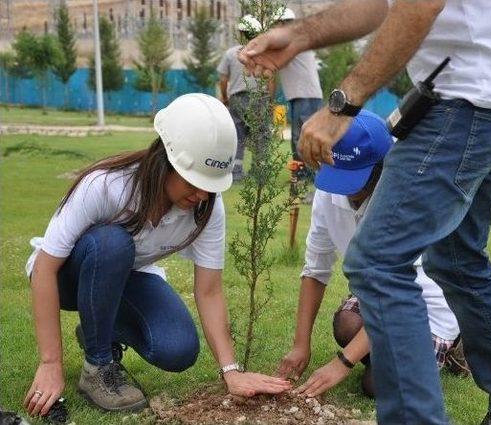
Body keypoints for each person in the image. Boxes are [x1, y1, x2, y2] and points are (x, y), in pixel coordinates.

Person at [239, 1, 491, 424]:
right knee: (456, 258)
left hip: (468, 100)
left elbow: (418, 5)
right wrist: (301, 34)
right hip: (490, 95)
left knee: (377, 262)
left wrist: (343, 105)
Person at [22, 94, 290, 418]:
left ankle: (101, 328)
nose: (202, 194)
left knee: (177, 348)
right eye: (194, 181)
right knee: (113, 243)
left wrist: (231, 371)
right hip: (68, 275)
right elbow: (45, 269)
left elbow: (209, 290)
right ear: (166, 158)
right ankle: (98, 367)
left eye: (211, 186)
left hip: (126, 275)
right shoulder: (106, 186)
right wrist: (51, 363)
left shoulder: (207, 207)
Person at [277, 110, 468, 399]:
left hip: (425, 307)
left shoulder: (406, 202)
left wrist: (342, 363)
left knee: (377, 386)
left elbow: (396, 294)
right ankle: (397, 357)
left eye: (355, 180)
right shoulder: (329, 191)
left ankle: (451, 345)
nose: (346, 193)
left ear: (383, 167)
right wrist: (300, 344)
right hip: (376, 297)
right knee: (347, 324)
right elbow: (315, 269)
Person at [217, 15, 274, 182]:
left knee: (238, 135)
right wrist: (269, 101)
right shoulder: (264, 54)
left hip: (237, 98)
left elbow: (223, 80)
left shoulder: (230, 54)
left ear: (241, 33)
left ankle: (235, 172)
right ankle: (260, 173)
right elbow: (270, 79)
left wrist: (225, 98)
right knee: (261, 135)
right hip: (260, 98)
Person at [274, 8, 323, 182]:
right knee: (303, 136)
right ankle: (306, 173)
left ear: (281, 23)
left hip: (305, 95)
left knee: (301, 137)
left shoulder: (291, 38)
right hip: (304, 94)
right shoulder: (296, 37)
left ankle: (306, 175)